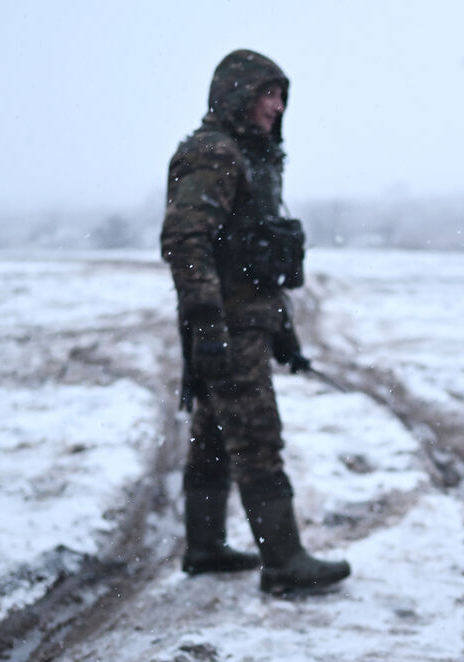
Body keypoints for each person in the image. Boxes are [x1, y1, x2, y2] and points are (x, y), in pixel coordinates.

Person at [161, 49, 350, 595]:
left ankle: (205, 547)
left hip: (245, 322)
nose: (277, 105)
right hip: (228, 326)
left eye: (282, 94)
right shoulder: (214, 153)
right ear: (238, 95)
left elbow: (257, 260)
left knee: (215, 436)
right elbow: (186, 240)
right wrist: (207, 325)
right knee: (257, 437)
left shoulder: (251, 157)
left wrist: (284, 335)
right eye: (268, 93)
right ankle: (284, 562)